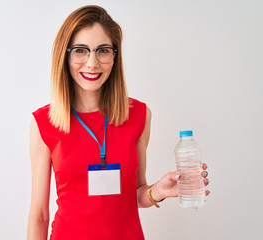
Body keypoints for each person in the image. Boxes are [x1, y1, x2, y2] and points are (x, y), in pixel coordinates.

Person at [27, 5, 210, 240]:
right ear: (65, 54)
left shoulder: (139, 116)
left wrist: (158, 191)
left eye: (102, 50)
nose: (92, 63)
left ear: (114, 55)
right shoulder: (43, 123)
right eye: (81, 51)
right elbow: (39, 215)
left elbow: (134, 196)